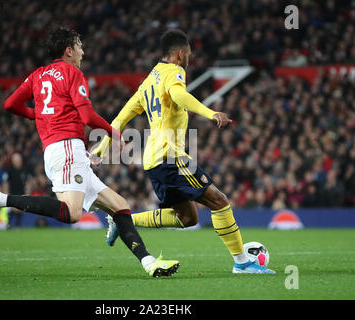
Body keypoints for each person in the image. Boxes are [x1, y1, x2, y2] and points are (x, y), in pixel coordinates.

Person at [0, 27, 180, 278]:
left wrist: (36, 114)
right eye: (79, 45)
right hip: (68, 147)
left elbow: (9, 104)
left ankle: (149, 264)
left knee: (120, 207)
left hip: (57, 149)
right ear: (68, 50)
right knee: (71, 213)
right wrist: (113, 132)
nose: (83, 50)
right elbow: (87, 116)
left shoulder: (37, 75)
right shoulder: (72, 73)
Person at [93, 29, 275, 274]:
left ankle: (123, 220)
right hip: (170, 156)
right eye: (188, 55)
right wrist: (212, 113)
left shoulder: (147, 83)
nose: (189, 59)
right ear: (180, 54)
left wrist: (102, 149)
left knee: (188, 218)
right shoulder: (174, 72)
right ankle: (243, 263)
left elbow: (118, 119)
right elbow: (179, 95)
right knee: (219, 202)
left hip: (153, 160)